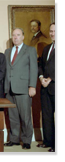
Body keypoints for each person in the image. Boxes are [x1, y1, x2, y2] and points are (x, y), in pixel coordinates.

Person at [4, 28, 38, 149]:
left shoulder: (30, 50)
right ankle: (14, 139)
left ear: (23, 37)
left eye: (18, 35)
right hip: (9, 89)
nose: (15, 37)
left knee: (25, 116)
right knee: (12, 117)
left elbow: (34, 69)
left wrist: (32, 86)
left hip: (24, 88)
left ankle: (27, 140)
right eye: (13, 35)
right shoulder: (7, 51)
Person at [37, 22, 56, 152]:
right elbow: (41, 66)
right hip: (45, 88)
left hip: (56, 87)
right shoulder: (46, 48)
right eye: (51, 31)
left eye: (55, 31)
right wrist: (41, 77)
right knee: (47, 117)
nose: (52, 33)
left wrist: (51, 79)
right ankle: (48, 142)